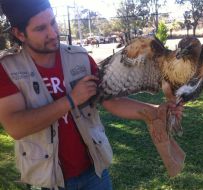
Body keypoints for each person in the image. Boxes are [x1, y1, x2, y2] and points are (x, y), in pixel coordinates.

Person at [0, 0, 184, 189]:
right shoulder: (8, 69)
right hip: (47, 180)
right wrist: (71, 99)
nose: (53, 32)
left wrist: (156, 111)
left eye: (53, 22)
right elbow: (16, 127)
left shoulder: (79, 58)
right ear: (19, 33)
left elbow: (111, 102)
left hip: (95, 172)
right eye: (41, 28)